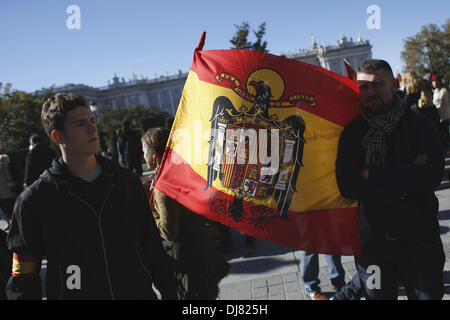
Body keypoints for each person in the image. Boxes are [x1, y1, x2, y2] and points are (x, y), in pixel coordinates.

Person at [6, 93, 177, 300]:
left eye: (92, 120)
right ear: (58, 136)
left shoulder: (124, 183)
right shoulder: (34, 201)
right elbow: (23, 278)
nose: (92, 128)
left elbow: (152, 249)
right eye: (80, 124)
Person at [336, 59, 445, 300]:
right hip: (373, 247)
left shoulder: (419, 125)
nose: (370, 92)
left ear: (394, 84)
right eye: (364, 87)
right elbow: (346, 183)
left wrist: (372, 174)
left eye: (377, 84)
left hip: (420, 242)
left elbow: (432, 174)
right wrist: (406, 176)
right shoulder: (353, 133)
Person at [142, 127, 229, 299]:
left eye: (143, 151)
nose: (143, 155)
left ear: (153, 154)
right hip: (200, 252)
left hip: (187, 261)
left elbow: (169, 231)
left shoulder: (164, 185)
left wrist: (150, 211)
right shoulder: (181, 172)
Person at [0, 154, 21, 230]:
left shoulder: (12, 169)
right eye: (1, 161)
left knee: (14, 210)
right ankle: (9, 224)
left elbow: (19, 178)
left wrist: (15, 184)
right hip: (2, 195)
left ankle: (17, 224)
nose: (2, 162)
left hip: (12, 193)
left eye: (4, 161)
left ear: (7, 161)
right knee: (5, 211)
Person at [432, 74, 450, 150]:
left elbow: (442, 103)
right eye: (433, 81)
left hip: (445, 116)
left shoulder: (444, 91)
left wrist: (436, 103)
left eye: (436, 81)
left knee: (446, 134)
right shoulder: (435, 91)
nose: (434, 83)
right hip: (438, 117)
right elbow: (435, 102)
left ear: (439, 81)